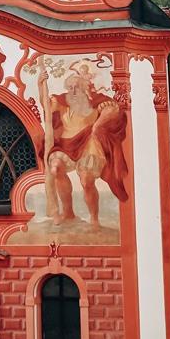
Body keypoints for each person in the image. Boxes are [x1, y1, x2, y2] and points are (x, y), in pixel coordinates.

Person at [38, 61, 127, 226]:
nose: (72, 91)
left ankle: (94, 218)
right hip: (65, 145)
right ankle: (68, 212)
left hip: (87, 145)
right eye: (70, 87)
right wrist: (40, 83)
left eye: (76, 87)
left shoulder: (97, 102)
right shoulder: (62, 102)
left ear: (84, 88)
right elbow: (46, 106)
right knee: (56, 167)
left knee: (86, 180)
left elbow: (114, 110)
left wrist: (98, 124)